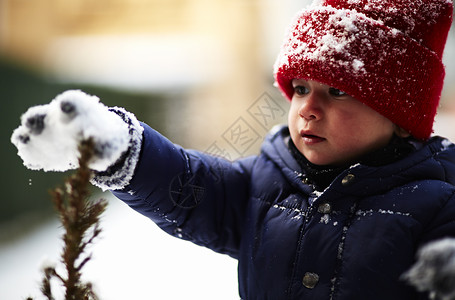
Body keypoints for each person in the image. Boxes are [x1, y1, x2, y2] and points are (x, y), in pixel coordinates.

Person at [11, 0, 455, 299]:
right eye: (300, 89)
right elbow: (192, 186)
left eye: (338, 91)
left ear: (399, 117)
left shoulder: (439, 203)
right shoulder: (267, 184)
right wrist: (122, 147)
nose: (308, 109)